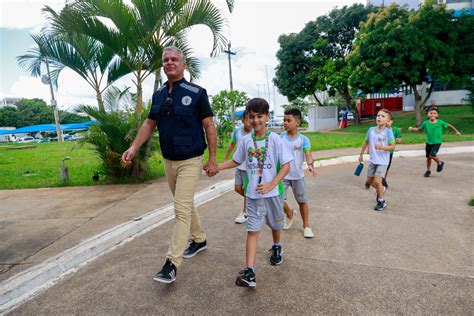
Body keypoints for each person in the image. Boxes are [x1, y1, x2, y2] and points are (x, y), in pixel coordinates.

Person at [121, 46, 218, 284]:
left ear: (183, 65)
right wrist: (133, 147)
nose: (170, 62)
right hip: (169, 160)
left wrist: (212, 159)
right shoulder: (159, 94)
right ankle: (199, 239)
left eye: (174, 59)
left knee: (181, 209)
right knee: (184, 203)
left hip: (191, 160)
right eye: (166, 60)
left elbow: (209, 127)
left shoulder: (197, 93)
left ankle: (171, 263)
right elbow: (148, 124)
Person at [218, 98, 293, 288]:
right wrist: (217, 167)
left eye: (260, 116)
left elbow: (286, 166)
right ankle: (250, 272)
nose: (256, 120)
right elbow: (236, 161)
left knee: (276, 225)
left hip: (274, 194)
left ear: (267, 116)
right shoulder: (245, 140)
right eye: (252, 117)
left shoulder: (275, 139)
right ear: (248, 118)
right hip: (253, 196)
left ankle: (277, 247)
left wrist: (272, 184)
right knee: (252, 231)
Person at [280, 108, 316, 238]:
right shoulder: (280, 138)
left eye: (288, 120)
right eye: (284, 120)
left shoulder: (303, 139)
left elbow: (308, 153)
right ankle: (289, 213)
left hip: (297, 176)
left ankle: (306, 226)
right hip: (282, 176)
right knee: (278, 199)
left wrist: (310, 165)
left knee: (302, 201)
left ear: (297, 122)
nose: (285, 123)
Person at [408, 105, 461, 177]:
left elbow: (449, 125)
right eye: (431, 113)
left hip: (437, 142)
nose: (432, 114)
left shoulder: (440, 122)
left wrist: (456, 131)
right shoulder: (425, 123)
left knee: (432, 155)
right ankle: (428, 170)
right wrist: (412, 128)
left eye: (434, 113)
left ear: (437, 115)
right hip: (429, 142)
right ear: (428, 115)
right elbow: (419, 129)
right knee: (428, 157)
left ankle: (440, 163)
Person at [358, 109, 395, 211]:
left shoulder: (388, 132)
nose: (379, 117)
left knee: (378, 181)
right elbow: (365, 142)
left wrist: (382, 147)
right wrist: (361, 153)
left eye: (383, 116)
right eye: (378, 115)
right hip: (373, 160)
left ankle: (381, 201)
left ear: (387, 121)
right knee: (369, 181)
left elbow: (392, 146)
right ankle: (382, 189)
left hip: (383, 162)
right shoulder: (371, 130)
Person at [224, 111, 252, 224]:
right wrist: (226, 158)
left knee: (247, 189)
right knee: (237, 188)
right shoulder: (238, 132)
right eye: (248, 119)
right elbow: (232, 144)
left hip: (250, 168)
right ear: (243, 120)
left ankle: (245, 213)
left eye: (252, 118)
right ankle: (253, 201)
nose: (250, 122)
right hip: (239, 166)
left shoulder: (255, 133)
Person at [382, 118, 403, 188]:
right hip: (381, 151)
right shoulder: (381, 129)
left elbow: (400, 138)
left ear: (392, 121)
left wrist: (398, 139)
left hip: (389, 152)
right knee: (380, 166)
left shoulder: (395, 129)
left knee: (386, 167)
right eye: (386, 121)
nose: (387, 122)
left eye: (389, 121)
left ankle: (383, 179)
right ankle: (378, 179)